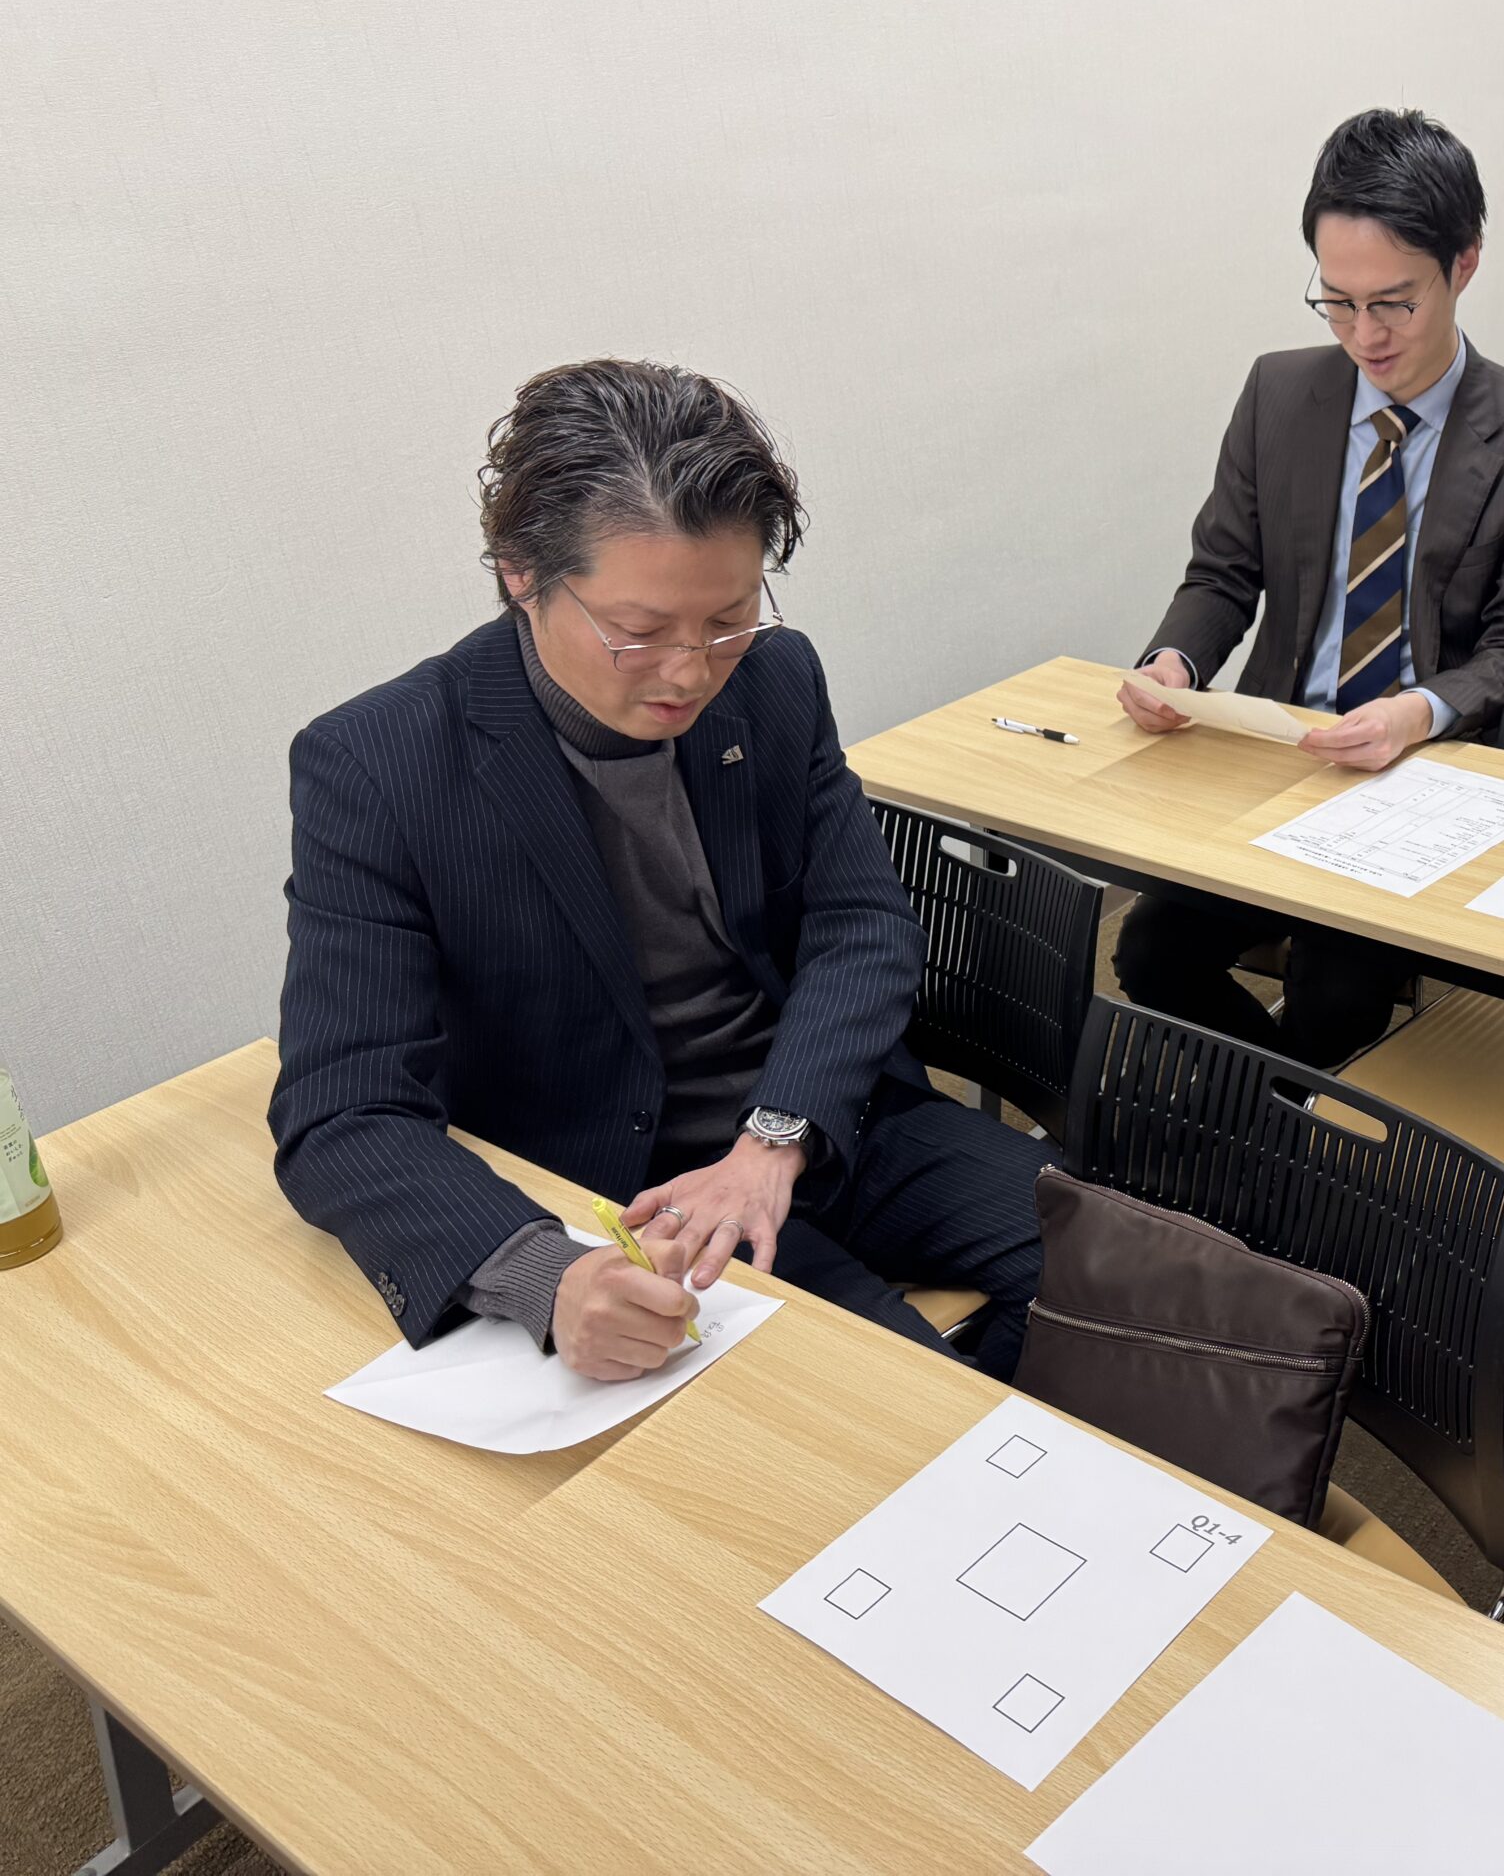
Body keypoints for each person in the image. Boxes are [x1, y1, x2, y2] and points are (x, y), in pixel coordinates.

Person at [270, 359, 1045, 1382]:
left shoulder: (774, 679)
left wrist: (775, 1139)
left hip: (818, 1116)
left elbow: (862, 924)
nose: (692, 671)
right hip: (633, 1200)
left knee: (1152, 1287)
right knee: (900, 1399)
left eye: (727, 620)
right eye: (638, 635)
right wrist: (547, 1278)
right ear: (520, 572)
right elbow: (342, 1106)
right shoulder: (382, 764)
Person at [1111, 107, 1504, 1066]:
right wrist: (1174, 663)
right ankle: (1285, 1125)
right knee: (1149, 952)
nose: (1363, 335)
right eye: (1336, 302)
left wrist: (1416, 713)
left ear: (1464, 265)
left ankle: (1281, 1132)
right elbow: (1223, 573)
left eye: (1393, 304)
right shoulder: (1279, 393)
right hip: (1278, 753)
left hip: (1427, 775)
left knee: (1335, 996)